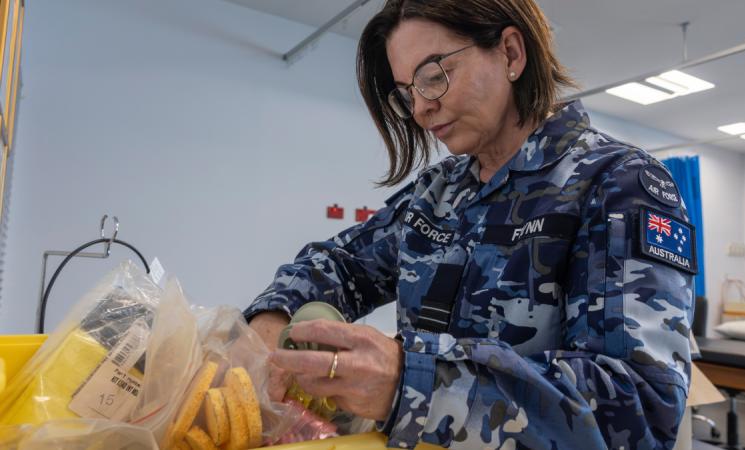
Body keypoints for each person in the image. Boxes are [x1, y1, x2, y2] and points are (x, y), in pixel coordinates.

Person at [244, 1, 696, 449]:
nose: (420, 109)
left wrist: (409, 379)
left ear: (511, 54)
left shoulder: (617, 184)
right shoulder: (438, 192)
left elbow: (638, 409)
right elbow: (342, 263)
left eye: (433, 76)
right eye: (407, 92)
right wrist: (273, 316)